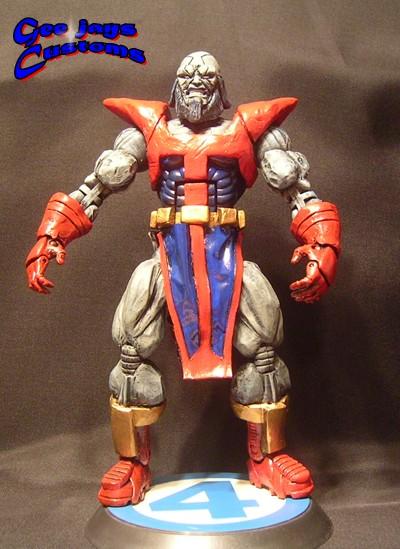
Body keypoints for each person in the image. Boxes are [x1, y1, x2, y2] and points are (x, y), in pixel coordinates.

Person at [26, 51, 341, 506]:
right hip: (167, 258)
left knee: (264, 349)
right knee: (131, 349)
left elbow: (298, 190)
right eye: (188, 78)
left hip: (227, 257)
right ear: (175, 87)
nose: (196, 85)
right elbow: (96, 185)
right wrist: (52, 235)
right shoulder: (149, 131)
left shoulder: (251, 131)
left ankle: (267, 456)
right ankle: (133, 462)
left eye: (206, 78)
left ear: (221, 88)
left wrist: (322, 243)